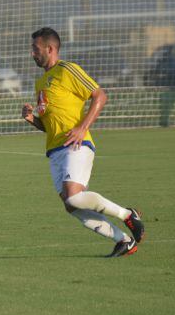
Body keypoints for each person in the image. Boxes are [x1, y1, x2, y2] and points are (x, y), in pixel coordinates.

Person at [21, 27, 145, 257]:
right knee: (72, 206)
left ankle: (128, 215)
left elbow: (100, 95)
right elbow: (50, 126)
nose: (32, 54)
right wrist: (32, 119)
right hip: (55, 151)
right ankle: (124, 241)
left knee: (75, 196)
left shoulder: (68, 70)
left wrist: (82, 127)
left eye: (35, 49)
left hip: (77, 145)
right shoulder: (41, 83)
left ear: (50, 49)